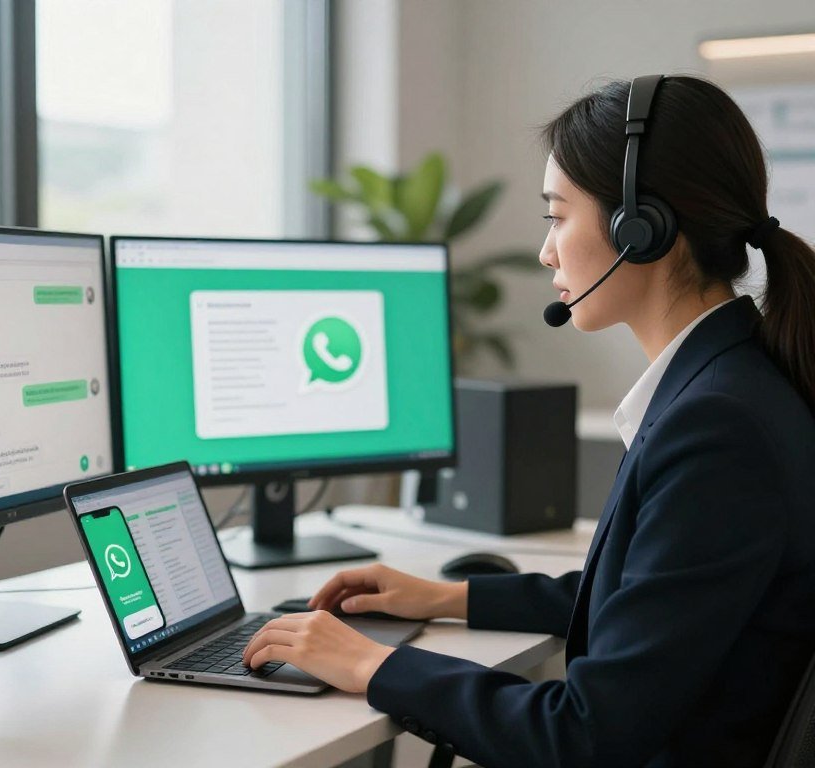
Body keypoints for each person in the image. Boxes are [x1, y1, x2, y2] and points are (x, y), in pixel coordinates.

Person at [242, 75, 815, 767]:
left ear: (641, 229)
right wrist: (448, 596)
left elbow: (584, 737)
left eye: (557, 216)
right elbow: (645, 598)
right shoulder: (730, 382)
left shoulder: (717, 427)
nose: (547, 252)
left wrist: (370, 665)